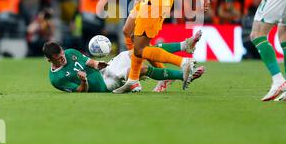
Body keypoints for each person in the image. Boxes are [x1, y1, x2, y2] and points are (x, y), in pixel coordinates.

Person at [44, 36, 205, 93]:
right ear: (50, 60)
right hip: (105, 84)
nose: (63, 59)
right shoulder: (56, 79)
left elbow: (89, 62)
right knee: (142, 69)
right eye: (59, 59)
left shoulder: (71, 52)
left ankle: (184, 45)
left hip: (106, 70)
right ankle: (183, 75)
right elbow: (80, 92)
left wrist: (98, 64)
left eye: (63, 54)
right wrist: (84, 81)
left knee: (141, 50)